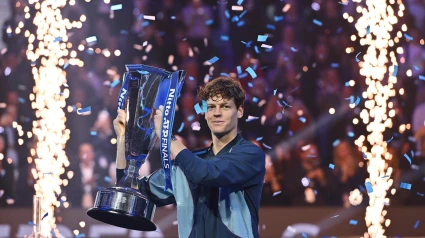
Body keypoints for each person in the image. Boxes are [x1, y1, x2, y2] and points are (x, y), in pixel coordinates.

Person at [115, 76, 266, 238]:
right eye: (211, 107)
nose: (217, 113)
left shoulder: (251, 155)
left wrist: (167, 137)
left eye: (225, 106)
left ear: (240, 111)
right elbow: (131, 190)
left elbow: (208, 173)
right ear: (205, 113)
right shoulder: (186, 163)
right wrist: (123, 139)